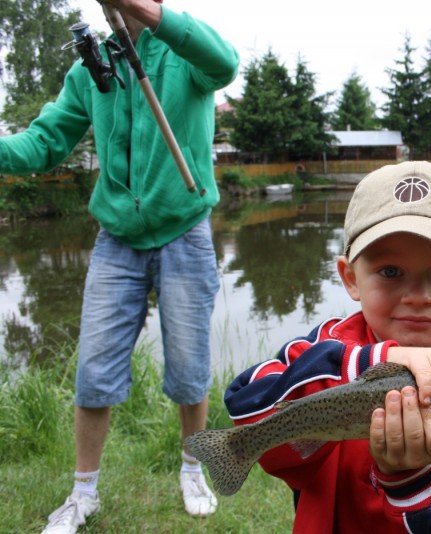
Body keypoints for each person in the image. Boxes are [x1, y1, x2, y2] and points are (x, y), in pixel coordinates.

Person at [0, 1, 239, 532]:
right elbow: (44, 144)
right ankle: (83, 493)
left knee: (188, 366)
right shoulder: (90, 66)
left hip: (184, 229)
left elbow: (225, 63)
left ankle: (191, 468)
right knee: (95, 370)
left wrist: (152, 16)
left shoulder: (183, 52)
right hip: (117, 238)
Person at [224, 161, 431, 532]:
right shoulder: (327, 351)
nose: (418, 297)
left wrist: (415, 482)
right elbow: (244, 408)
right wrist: (369, 361)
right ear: (350, 278)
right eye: (390, 272)